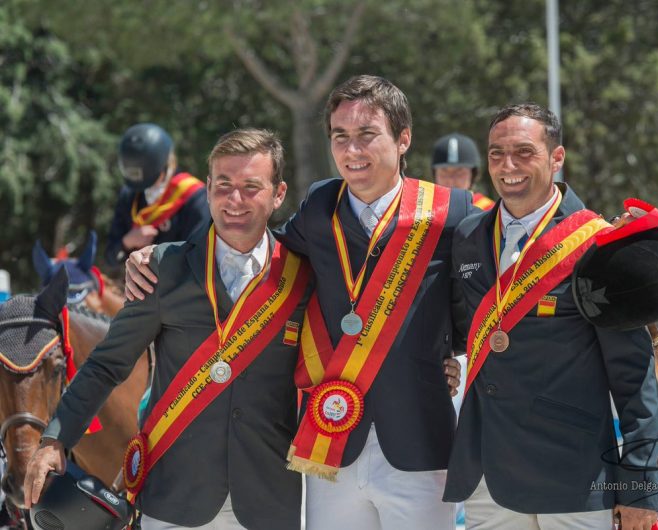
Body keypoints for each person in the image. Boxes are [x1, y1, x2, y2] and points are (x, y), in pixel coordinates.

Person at [126, 75, 470, 530]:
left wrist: (449, 353)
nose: (352, 150)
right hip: (332, 447)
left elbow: (479, 301)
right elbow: (251, 245)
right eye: (340, 137)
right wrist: (164, 256)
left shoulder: (453, 212)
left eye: (367, 135)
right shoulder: (318, 206)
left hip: (419, 444)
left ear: (403, 138)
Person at [24, 129, 314, 529]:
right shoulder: (162, 268)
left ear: (278, 193)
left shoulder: (302, 274)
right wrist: (56, 439)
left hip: (271, 498)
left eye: (251, 187)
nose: (235, 200)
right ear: (208, 186)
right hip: (176, 498)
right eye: (224, 185)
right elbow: (107, 363)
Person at [444, 103, 658, 530]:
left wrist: (640, 488)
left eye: (524, 152)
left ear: (556, 158)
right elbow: (457, 326)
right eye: (496, 153)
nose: (508, 166)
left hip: (575, 478)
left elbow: (634, 379)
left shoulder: (600, 245)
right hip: (489, 477)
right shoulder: (469, 237)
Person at [104, 123, 210, 268]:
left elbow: (197, 259)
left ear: (164, 164)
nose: (145, 188)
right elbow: (110, 258)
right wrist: (127, 242)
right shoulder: (130, 194)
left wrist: (154, 253)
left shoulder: (195, 198)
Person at [432, 132, 494, 211]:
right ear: (435, 174)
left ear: (473, 175)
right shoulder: (422, 211)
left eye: (459, 172)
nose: (451, 180)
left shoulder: (490, 211)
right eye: (444, 171)